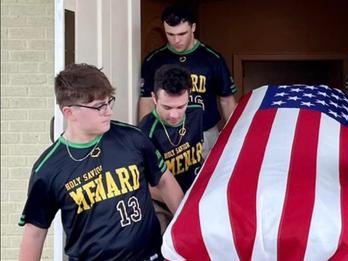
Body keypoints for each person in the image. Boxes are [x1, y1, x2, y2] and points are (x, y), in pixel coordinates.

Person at [18, 64, 184, 261]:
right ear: (70, 112)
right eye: (99, 106)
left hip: (149, 256)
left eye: (108, 102)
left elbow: (164, 180)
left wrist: (188, 229)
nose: (108, 112)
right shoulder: (47, 169)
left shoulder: (133, 138)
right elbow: (35, 233)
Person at [139, 4, 237, 158]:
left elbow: (227, 101)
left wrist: (236, 135)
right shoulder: (154, 60)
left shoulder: (212, 59)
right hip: (165, 134)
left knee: (206, 179)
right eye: (170, 34)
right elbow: (147, 101)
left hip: (205, 133)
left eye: (182, 33)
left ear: (193, 27)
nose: (176, 40)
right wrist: (143, 139)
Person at [138, 64, 204, 233]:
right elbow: (144, 184)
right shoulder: (143, 133)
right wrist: (180, 203)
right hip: (162, 204)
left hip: (197, 195)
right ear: (154, 98)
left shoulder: (196, 112)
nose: (174, 115)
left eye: (180, 107)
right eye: (167, 107)